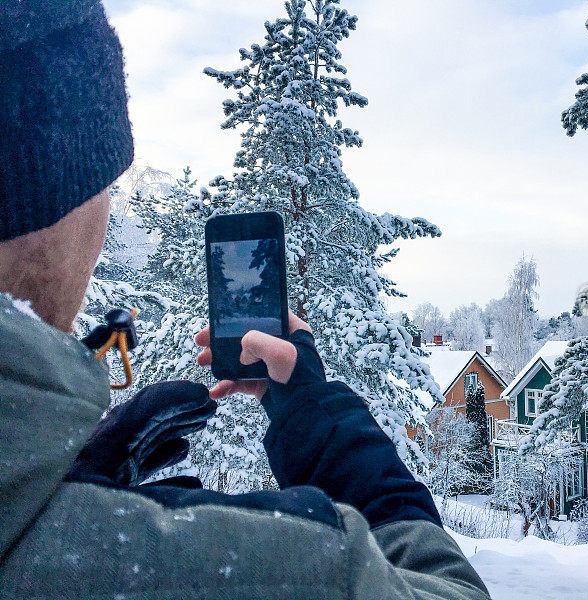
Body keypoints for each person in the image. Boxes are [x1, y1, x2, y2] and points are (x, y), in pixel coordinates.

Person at [0, 3, 491, 599]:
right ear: (55, 201)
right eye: (105, 185)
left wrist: (44, 468)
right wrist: (315, 413)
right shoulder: (262, 569)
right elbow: (453, 591)